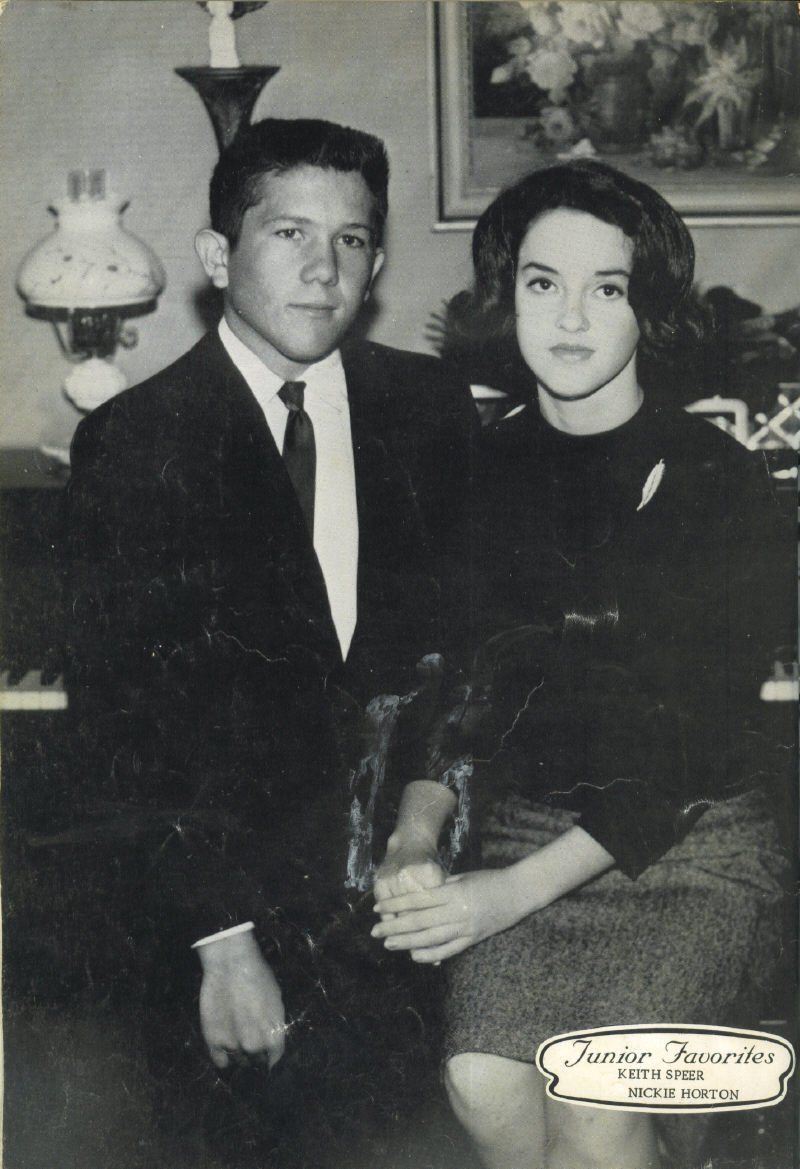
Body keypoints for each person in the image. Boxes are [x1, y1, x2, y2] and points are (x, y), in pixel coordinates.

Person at [63, 117, 474, 1166]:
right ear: (217, 256)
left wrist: (423, 832)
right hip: (223, 916)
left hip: (409, 901)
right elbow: (123, 725)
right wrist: (224, 943)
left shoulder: (429, 407)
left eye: (351, 239)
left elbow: (464, 650)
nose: (324, 268)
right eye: (289, 232)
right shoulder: (134, 441)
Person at [371, 159, 795, 1169]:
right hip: (526, 830)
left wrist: (499, 896)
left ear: (646, 308)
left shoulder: (720, 480)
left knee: (597, 1109)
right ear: (505, 296)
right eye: (541, 282)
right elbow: (453, 689)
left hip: (689, 847)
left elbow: (683, 744)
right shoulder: (476, 468)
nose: (568, 318)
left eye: (606, 288)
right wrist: (413, 837)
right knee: (481, 1081)